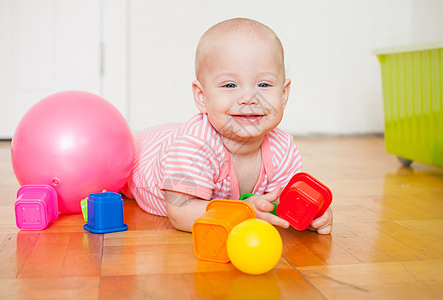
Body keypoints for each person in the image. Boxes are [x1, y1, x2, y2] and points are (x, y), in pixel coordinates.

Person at [123, 18, 333, 234]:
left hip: (177, 135)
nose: (249, 98)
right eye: (230, 85)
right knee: (114, 170)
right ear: (202, 97)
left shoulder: (282, 147)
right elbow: (180, 212)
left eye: (264, 84)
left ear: (283, 93)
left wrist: (309, 214)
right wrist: (243, 212)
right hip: (140, 155)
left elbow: (281, 205)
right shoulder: (195, 147)